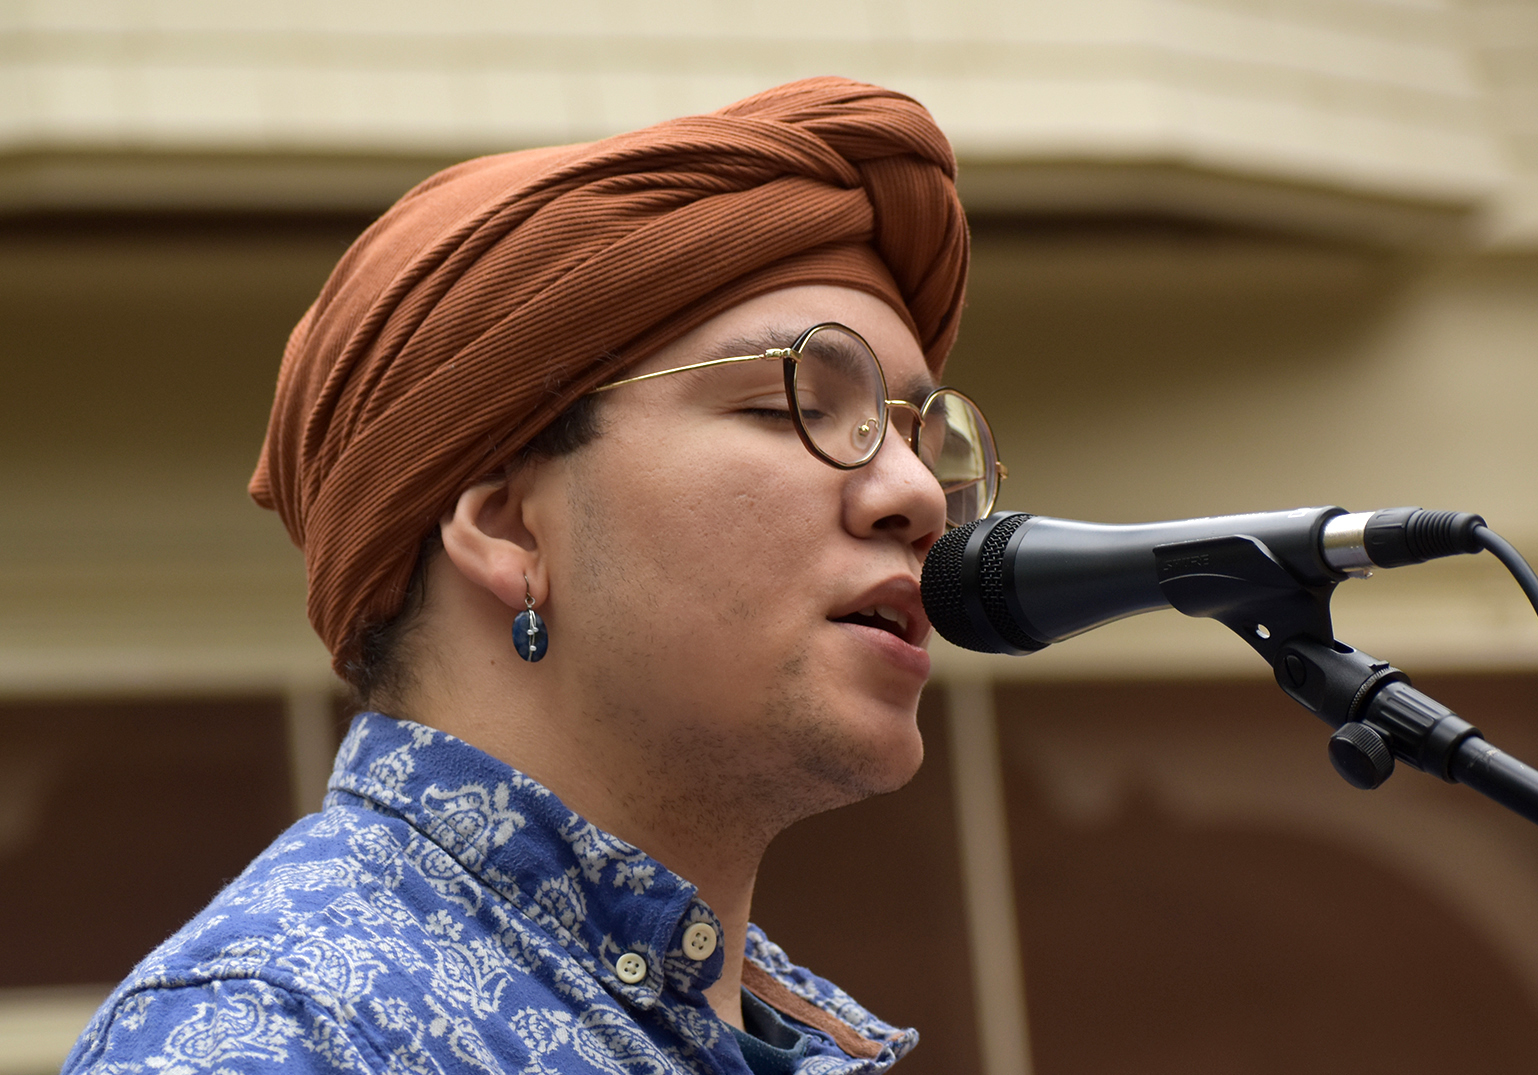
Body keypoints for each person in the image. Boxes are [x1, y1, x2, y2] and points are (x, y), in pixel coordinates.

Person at [63, 77, 1000, 1075]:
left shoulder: (767, 1032)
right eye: (795, 403)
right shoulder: (279, 1035)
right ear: (509, 527)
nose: (917, 496)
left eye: (914, 434)